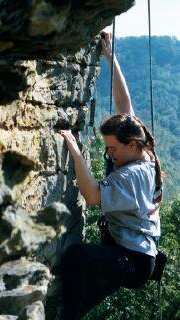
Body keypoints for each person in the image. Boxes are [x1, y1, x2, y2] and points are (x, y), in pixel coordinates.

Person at [58, 30, 162, 320]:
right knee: (71, 307)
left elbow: (91, 196)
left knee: (78, 257)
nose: (109, 154)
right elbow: (124, 106)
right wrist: (110, 56)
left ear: (131, 145)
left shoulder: (133, 175)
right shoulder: (142, 149)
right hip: (129, 252)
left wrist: (75, 150)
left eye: (113, 148)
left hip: (133, 260)